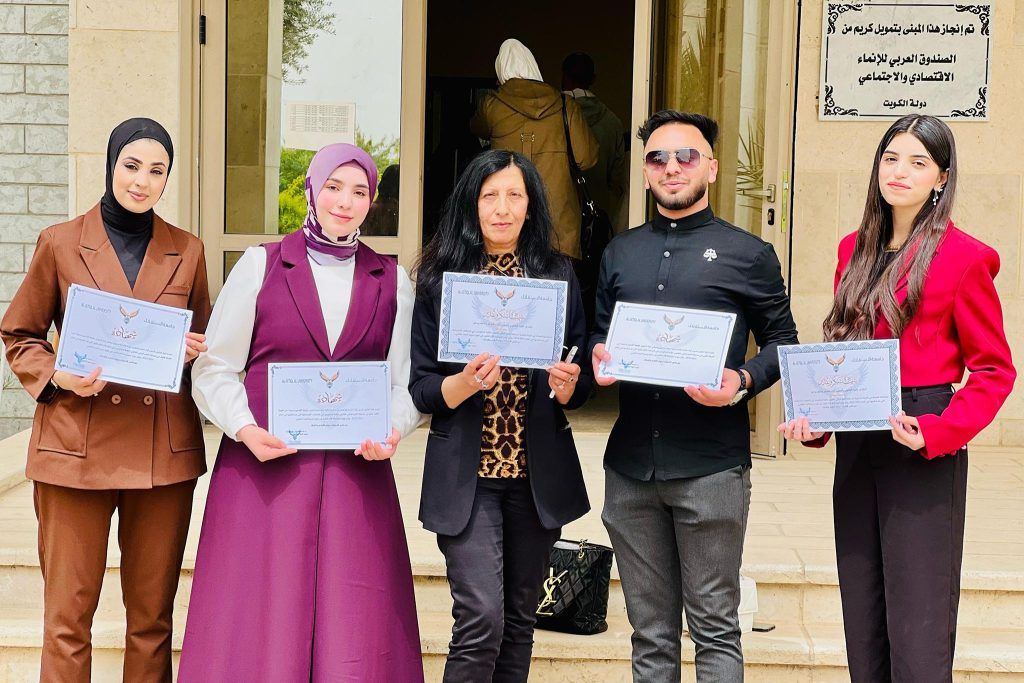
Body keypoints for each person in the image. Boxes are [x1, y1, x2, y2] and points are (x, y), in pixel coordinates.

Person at [779, 114, 1015, 682]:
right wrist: (819, 420)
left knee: (918, 619)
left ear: (941, 177)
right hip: (858, 437)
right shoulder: (852, 250)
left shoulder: (964, 257)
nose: (899, 172)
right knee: (862, 610)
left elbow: (994, 370)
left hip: (921, 435)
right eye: (890, 158)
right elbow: (846, 348)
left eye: (917, 162)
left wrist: (938, 431)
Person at [178, 143, 424, 681]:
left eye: (359, 192)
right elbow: (214, 368)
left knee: (355, 629)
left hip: (356, 478)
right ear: (311, 190)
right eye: (333, 187)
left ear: (372, 202)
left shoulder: (392, 280)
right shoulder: (260, 265)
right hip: (264, 474)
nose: (345, 202)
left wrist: (392, 429)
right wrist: (244, 427)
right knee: (258, 627)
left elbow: (402, 383)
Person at [589, 110, 799, 682]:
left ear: (711, 166)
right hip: (630, 468)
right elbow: (600, 333)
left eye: (686, 156)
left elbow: (783, 341)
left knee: (715, 628)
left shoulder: (748, 253)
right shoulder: (620, 253)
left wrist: (743, 381)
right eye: (657, 158)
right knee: (649, 633)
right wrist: (599, 356)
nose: (671, 167)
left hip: (711, 468)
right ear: (645, 171)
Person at [1, 117, 211, 682]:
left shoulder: (188, 250)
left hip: (160, 454)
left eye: (157, 170)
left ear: (168, 178)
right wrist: (59, 375)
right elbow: (20, 334)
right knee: (67, 622)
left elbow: (202, 340)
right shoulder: (60, 241)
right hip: (74, 446)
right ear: (111, 164)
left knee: (152, 622)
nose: (142, 181)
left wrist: (191, 351)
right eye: (131, 165)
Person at [410, 149, 591, 682]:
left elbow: (578, 376)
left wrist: (569, 385)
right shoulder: (442, 278)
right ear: (471, 203)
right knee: (481, 619)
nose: (502, 208)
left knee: (518, 623)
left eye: (515, 195)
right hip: (468, 478)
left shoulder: (557, 274)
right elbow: (422, 387)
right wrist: (464, 383)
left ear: (531, 206)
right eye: (490, 196)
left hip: (536, 478)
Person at [470, 38, 598, 259]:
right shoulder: (565, 105)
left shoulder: (492, 105)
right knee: (557, 279)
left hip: (507, 220)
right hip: (559, 224)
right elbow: (587, 158)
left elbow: (475, 128)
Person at [561, 51, 628, 232]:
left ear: (564, 76)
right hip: (599, 217)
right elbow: (617, 177)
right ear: (593, 79)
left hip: (559, 218)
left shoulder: (550, 119)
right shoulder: (612, 122)